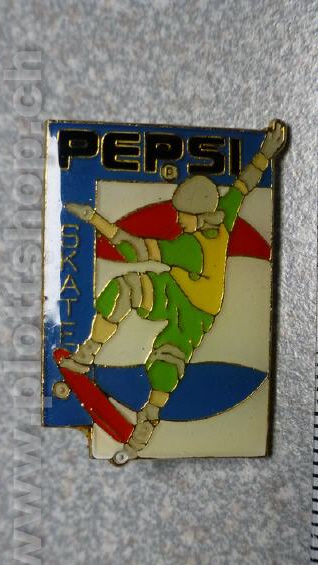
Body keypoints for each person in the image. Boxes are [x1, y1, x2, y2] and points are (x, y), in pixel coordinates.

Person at [63, 120, 286, 459]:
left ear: (198, 215)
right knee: (123, 290)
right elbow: (243, 184)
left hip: (194, 315)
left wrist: (96, 220)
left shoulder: (189, 248)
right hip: (175, 290)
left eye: (183, 215)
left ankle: (143, 431)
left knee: (166, 365)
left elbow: (134, 250)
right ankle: (86, 356)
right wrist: (266, 153)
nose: (178, 220)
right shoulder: (223, 217)